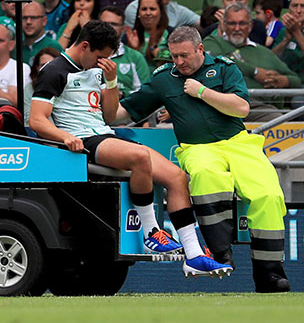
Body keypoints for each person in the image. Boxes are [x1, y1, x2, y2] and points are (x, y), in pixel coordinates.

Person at [29, 21, 231, 276]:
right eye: (101, 56)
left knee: (177, 177)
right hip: (82, 140)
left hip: (105, 134)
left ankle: (194, 255)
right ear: (85, 46)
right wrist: (64, 136)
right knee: (139, 156)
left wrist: (111, 82)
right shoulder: (54, 70)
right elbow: (36, 120)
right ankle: (151, 232)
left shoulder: (99, 69)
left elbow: (110, 115)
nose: (104, 62)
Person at [119, 26, 290, 292]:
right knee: (205, 176)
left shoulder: (224, 68)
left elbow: (241, 107)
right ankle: (220, 254)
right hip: (197, 147)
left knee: (268, 195)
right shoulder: (164, 78)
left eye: (184, 55)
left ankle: (270, 275)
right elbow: (125, 110)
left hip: (239, 144)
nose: (179, 62)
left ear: (200, 49)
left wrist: (201, 92)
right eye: (174, 56)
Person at [203, 3, 301, 121]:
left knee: (279, 121)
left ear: (250, 26)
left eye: (242, 23)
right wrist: (254, 72)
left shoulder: (264, 52)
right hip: (222, 103)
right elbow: (215, 59)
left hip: (257, 107)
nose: (237, 28)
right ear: (224, 25)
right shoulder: (213, 42)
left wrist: (282, 80)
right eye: (232, 23)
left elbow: (296, 80)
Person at [99, 6, 150, 97]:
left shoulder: (135, 57)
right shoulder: (87, 54)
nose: (109, 28)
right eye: (105, 23)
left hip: (124, 107)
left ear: (123, 29)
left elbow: (145, 93)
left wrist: (122, 94)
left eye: (114, 24)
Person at [203, 0, 267, 46]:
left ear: (246, 2)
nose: (233, 3)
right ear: (223, 3)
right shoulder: (210, 30)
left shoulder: (257, 26)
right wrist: (221, 33)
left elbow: (251, 51)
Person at [125, 0, 171, 73]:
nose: (148, 13)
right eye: (144, 9)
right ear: (138, 13)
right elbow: (123, 67)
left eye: (152, 9)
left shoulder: (172, 34)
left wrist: (157, 53)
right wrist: (133, 49)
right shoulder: (129, 36)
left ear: (160, 12)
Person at [273, 0, 304, 86]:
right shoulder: (283, 31)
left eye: (303, 6)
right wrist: (286, 40)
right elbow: (271, 59)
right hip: (283, 81)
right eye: (294, 6)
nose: (298, 11)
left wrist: (296, 33)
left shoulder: (294, 30)